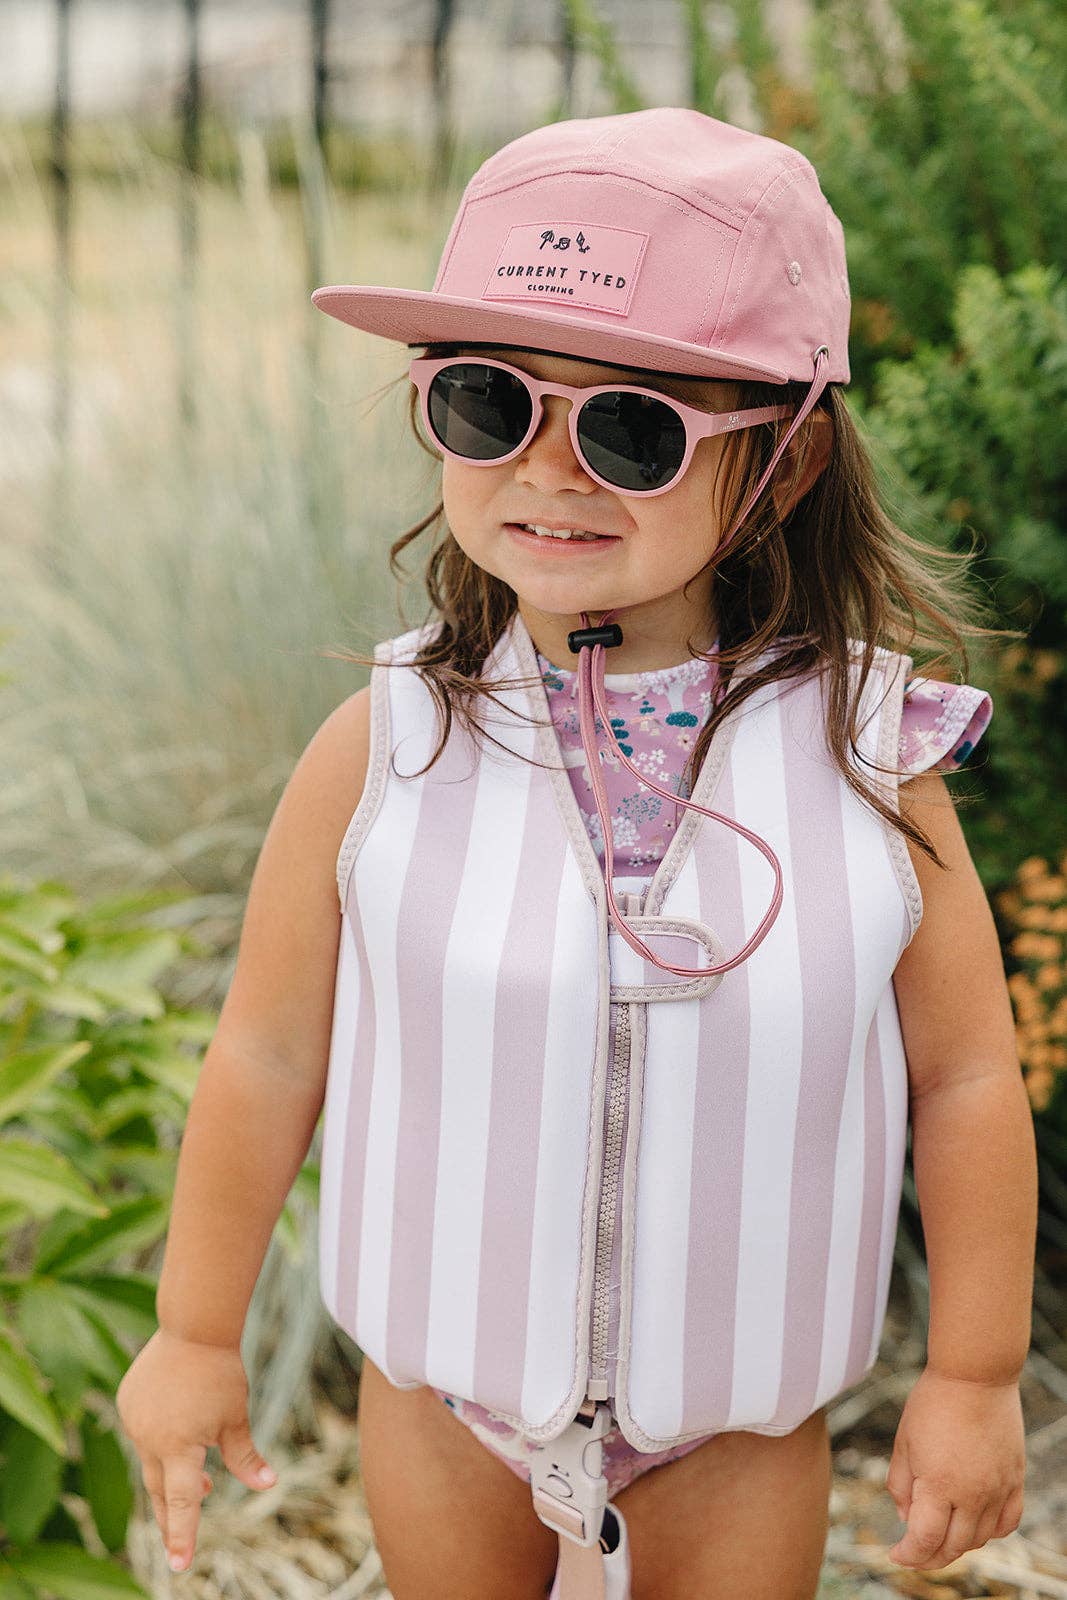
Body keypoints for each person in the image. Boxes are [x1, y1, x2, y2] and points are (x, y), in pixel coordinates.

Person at [116, 108, 1036, 1600]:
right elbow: (270, 1054)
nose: (549, 470)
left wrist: (975, 1374)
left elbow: (969, 1074)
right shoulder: (384, 743)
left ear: (787, 460)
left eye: (632, 428)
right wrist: (193, 1331)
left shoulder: (873, 754)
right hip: (445, 1403)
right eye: (487, 403)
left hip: (735, 1424)